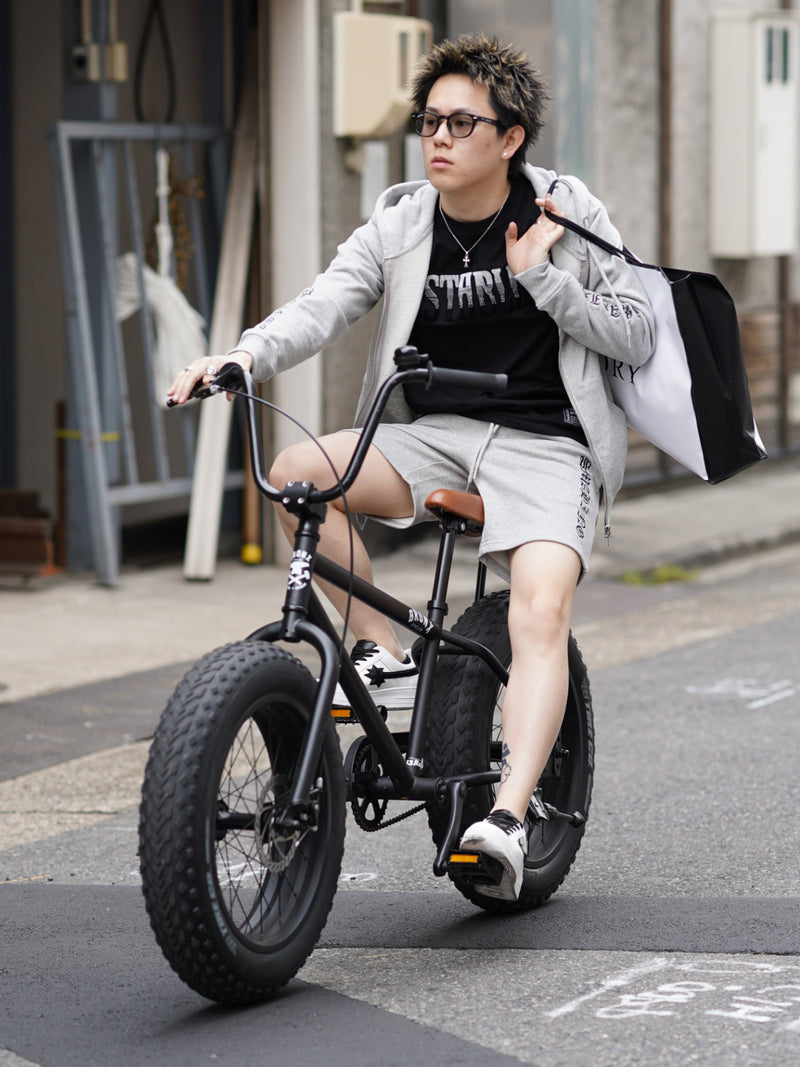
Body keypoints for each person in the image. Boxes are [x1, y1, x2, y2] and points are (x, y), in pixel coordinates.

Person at [168, 32, 655, 901]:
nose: (439, 138)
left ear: (510, 138)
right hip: (432, 435)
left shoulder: (566, 213)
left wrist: (545, 281)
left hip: (548, 444)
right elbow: (323, 304)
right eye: (429, 121)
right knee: (298, 472)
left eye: (462, 123)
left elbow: (638, 330)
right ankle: (382, 649)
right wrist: (241, 357)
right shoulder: (401, 223)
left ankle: (507, 819)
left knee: (541, 609)